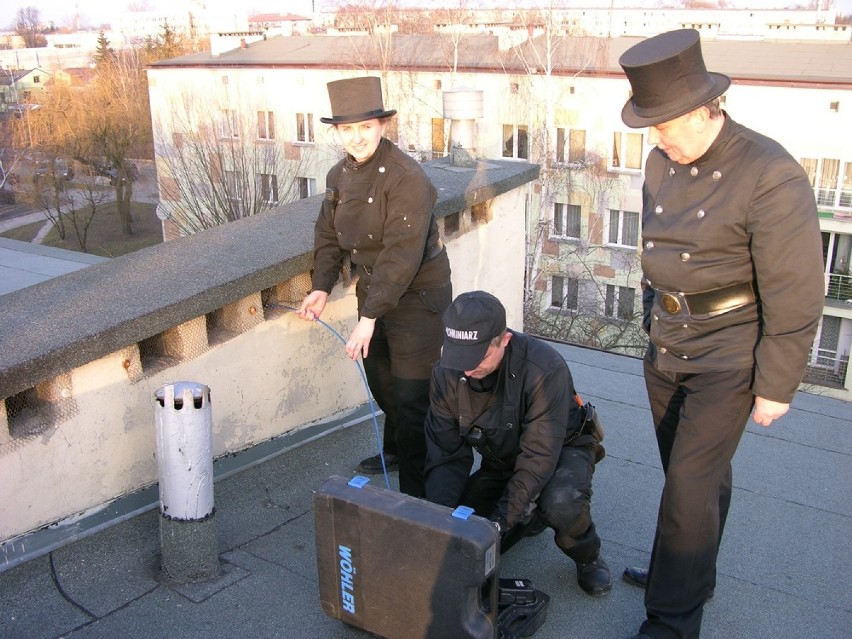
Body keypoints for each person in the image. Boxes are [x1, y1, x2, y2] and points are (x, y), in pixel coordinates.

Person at [617, 29, 825, 639]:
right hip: (667, 345)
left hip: (730, 354)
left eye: (663, 125)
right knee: (696, 478)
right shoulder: (662, 161)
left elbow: (796, 289)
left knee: (687, 486)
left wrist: (777, 385)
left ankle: (671, 620)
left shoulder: (770, 172)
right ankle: (687, 575)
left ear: (701, 111)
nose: (656, 139)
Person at [297, 76, 452, 497]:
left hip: (418, 294)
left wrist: (368, 318)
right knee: (383, 382)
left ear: (382, 126)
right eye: (348, 129)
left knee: (413, 395)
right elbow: (328, 236)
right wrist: (322, 287)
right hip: (375, 291)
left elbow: (402, 254)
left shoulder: (407, 178)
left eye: (366, 126)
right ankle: (399, 449)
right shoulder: (338, 175)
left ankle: (420, 498)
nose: (358, 137)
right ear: (337, 132)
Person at [423, 290, 612, 597]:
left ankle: (587, 555)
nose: (467, 369)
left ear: (504, 340)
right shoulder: (445, 373)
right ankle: (529, 512)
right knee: (463, 529)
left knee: (560, 502)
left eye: (478, 357)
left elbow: (538, 457)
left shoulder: (544, 368)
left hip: (562, 448)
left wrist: (498, 524)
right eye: (459, 357)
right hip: (502, 459)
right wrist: (443, 520)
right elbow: (444, 453)